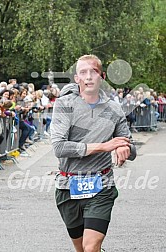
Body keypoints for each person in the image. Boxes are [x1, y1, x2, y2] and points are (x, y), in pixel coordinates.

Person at [50, 54, 136, 252]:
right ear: (77, 78)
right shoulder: (64, 105)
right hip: (67, 186)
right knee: (82, 249)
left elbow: (131, 149)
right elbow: (59, 148)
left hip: (101, 186)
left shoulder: (114, 109)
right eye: (83, 72)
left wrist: (124, 147)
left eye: (93, 72)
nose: (88, 77)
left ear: (102, 76)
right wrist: (104, 146)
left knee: (90, 247)